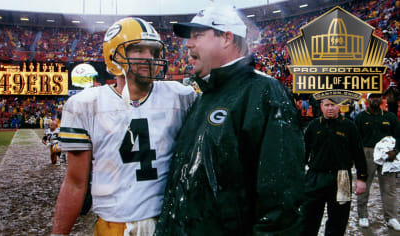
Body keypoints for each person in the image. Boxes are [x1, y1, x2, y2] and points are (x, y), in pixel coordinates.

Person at [154, 4, 305, 235]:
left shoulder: (264, 92)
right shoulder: (207, 95)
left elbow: (280, 201)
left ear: (226, 38)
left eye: (198, 35)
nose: (188, 44)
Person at [51, 17, 196, 235]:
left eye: (153, 51)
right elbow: (75, 182)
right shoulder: (85, 104)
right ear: (113, 57)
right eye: (138, 50)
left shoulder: (180, 96)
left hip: (168, 221)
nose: (149, 57)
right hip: (114, 225)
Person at [301, 98, 368, 235]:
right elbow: (304, 151)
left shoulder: (350, 126)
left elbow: (358, 153)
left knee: (338, 220)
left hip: (341, 178)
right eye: (327, 105)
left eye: (333, 105)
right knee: (308, 218)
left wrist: (361, 178)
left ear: (339, 107)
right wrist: (298, 174)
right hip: (316, 177)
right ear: (321, 106)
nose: (330, 108)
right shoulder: (313, 126)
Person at [355, 93, 400, 231]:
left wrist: (396, 151)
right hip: (367, 152)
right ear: (367, 99)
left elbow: (399, 135)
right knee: (364, 185)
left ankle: (391, 217)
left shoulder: (390, 117)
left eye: (378, 96)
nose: (375, 99)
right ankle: (363, 215)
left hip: (388, 154)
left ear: (381, 99)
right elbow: (355, 139)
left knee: (389, 187)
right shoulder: (360, 117)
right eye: (372, 96)